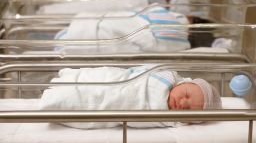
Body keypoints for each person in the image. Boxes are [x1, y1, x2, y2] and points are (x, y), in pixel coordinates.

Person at [39, 65, 222, 129]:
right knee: (102, 79)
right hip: (118, 81)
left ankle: (60, 100)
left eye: (189, 111)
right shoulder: (164, 78)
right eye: (187, 95)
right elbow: (134, 74)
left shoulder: (168, 119)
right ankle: (73, 80)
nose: (182, 104)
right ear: (182, 83)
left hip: (110, 105)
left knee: (89, 102)